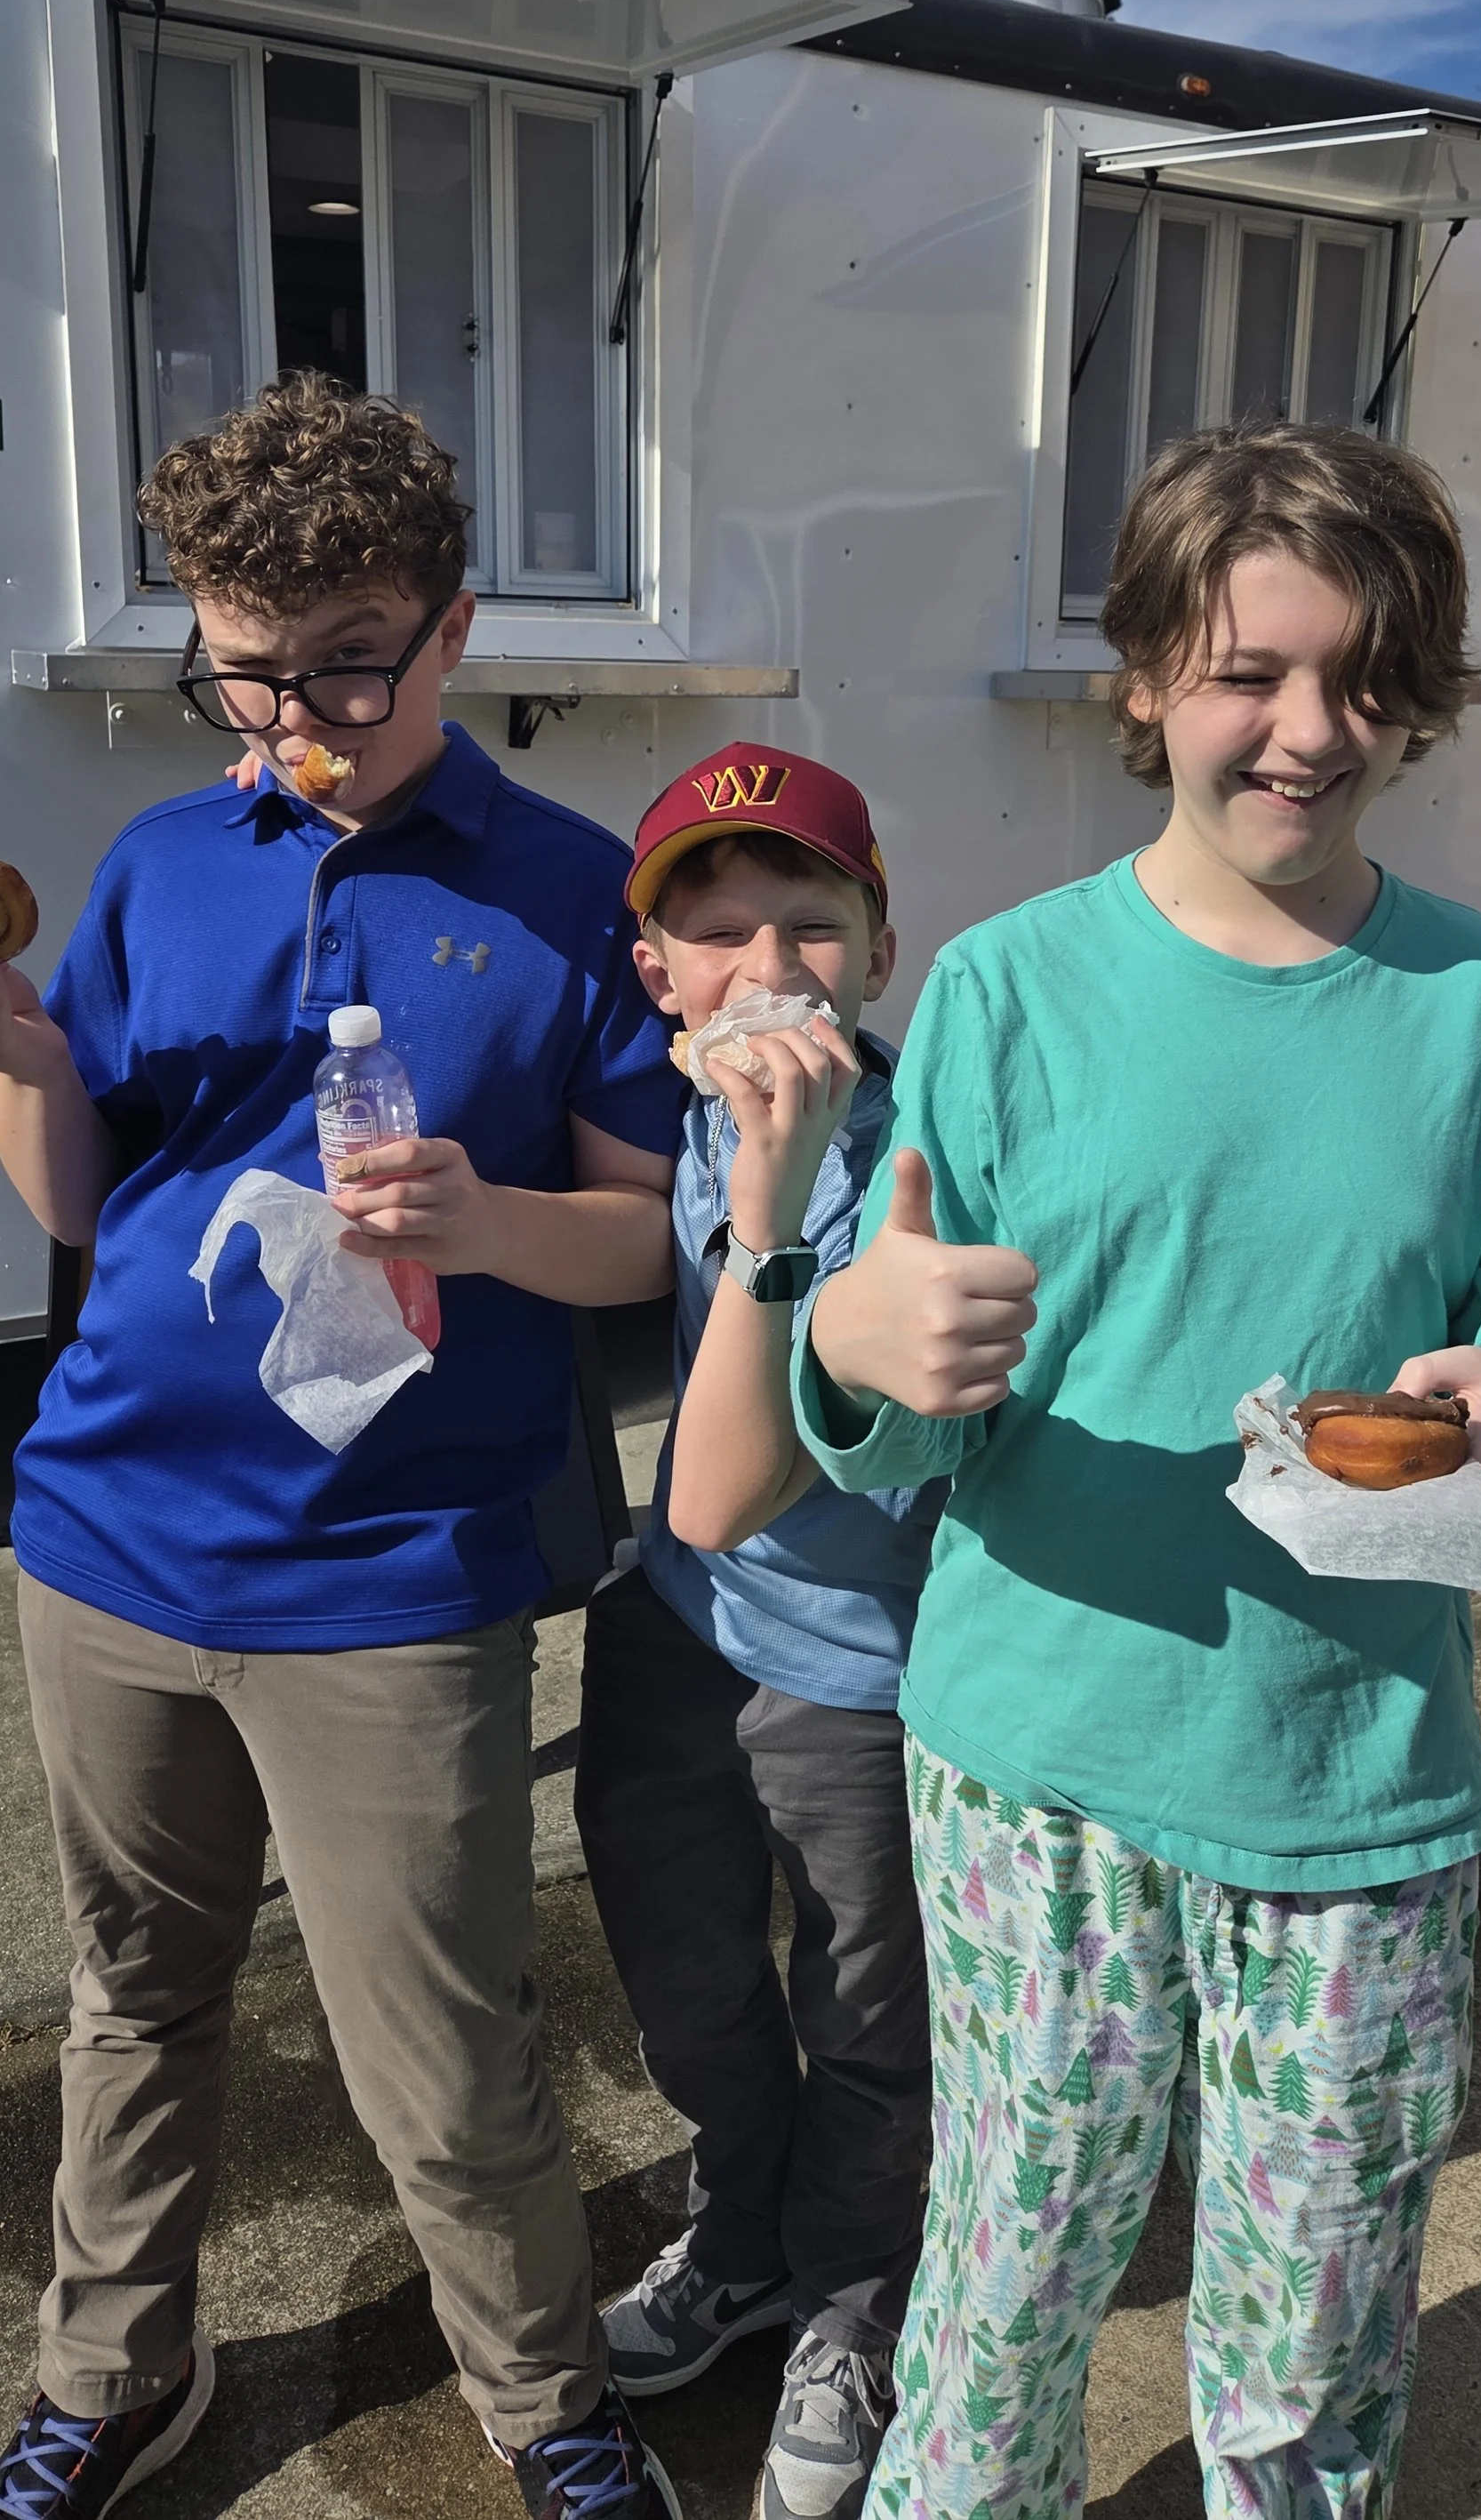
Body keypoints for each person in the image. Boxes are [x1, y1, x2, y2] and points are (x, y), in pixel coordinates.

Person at [0, 376, 686, 2520]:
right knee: (133, 1998)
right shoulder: (160, 862)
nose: (291, 713)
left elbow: (642, 1245)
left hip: (396, 1576)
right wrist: (23, 1047)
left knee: (441, 2053)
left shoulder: (568, 892)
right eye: (246, 663)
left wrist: (492, 1219)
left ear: (458, 628)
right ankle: (109, 2373)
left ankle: (544, 2406)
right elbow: (80, 1198)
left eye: (346, 660)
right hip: (111, 1536)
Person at [789, 424, 1481, 2519]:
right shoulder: (1000, 993)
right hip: (1032, 1759)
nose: (1305, 733)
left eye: (1358, 682)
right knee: (1007, 2277)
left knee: (1315, 2327)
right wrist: (848, 1344)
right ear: (1145, 670)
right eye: (1248, 670)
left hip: (1354, 1771)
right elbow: (898, 1380)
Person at [573, 749, 940, 2520]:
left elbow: (750, 1466)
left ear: (883, 943)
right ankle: (742, 2238)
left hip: (866, 1660)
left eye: (811, 922)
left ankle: (852, 2306)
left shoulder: (920, 1144)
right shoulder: (688, 1108)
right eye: (714, 933)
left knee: (868, 2016)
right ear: (654, 969)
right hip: (672, 1626)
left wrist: (781, 1185)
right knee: (685, 1979)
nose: (767, 970)